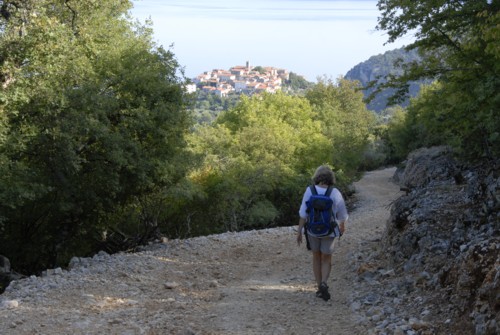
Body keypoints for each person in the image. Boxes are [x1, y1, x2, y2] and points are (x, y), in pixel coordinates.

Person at [296, 165, 348, 301]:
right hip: (329, 231)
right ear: (331, 178)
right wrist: (342, 224)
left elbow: (303, 213)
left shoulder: (310, 190)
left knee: (316, 256)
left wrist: (300, 231)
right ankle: (324, 282)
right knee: (326, 257)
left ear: (317, 177)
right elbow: (342, 213)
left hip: (312, 231)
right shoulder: (335, 192)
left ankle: (319, 287)